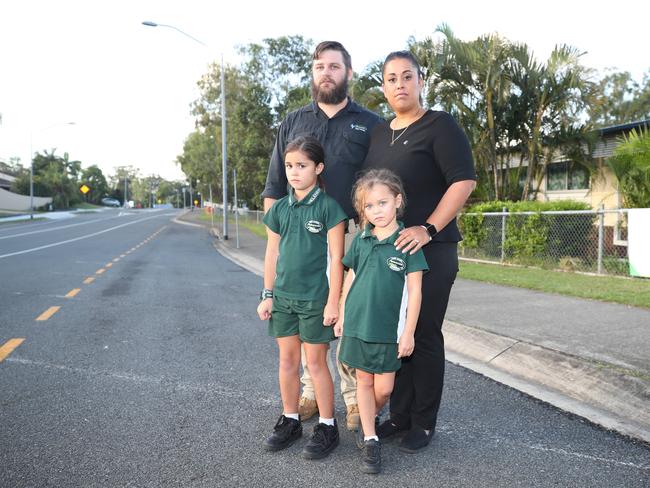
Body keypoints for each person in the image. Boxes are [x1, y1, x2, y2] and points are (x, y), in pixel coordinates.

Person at [262, 40, 383, 430]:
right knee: (308, 321)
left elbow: (378, 183)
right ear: (312, 74)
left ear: (348, 73)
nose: (326, 73)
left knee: (347, 315)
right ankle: (311, 393)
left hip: (353, 234)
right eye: (319, 67)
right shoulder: (293, 123)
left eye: (334, 66)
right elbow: (274, 185)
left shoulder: (370, 123)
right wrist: (279, 235)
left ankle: (352, 397)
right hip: (305, 239)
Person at [363, 51, 477, 453]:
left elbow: (463, 182)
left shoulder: (440, 125)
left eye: (407, 76)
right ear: (383, 86)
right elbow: (372, 193)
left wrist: (428, 228)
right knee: (398, 334)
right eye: (391, 78)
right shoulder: (378, 133)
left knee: (424, 333)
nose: (399, 84)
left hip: (432, 250)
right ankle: (399, 414)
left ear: (420, 81)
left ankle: (424, 422)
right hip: (389, 255)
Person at [258, 136, 347, 459]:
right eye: (289, 166)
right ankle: (291, 419)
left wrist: (333, 302)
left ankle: (327, 425)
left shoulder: (329, 208)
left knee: (315, 362)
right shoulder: (280, 208)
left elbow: (337, 259)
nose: (294, 172)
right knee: (287, 361)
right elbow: (271, 253)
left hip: (315, 300)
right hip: (283, 299)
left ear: (318, 168)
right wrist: (267, 294)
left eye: (302, 166)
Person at [335, 169, 427, 474]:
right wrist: (342, 313)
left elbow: (414, 291)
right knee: (363, 380)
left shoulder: (406, 243)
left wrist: (409, 333)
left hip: (389, 330)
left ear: (397, 201)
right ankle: (371, 437)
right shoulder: (361, 240)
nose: (377, 211)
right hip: (360, 324)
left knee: (384, 388)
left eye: (383, 203)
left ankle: (367, 415)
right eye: (369, 206)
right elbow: (352, 278)